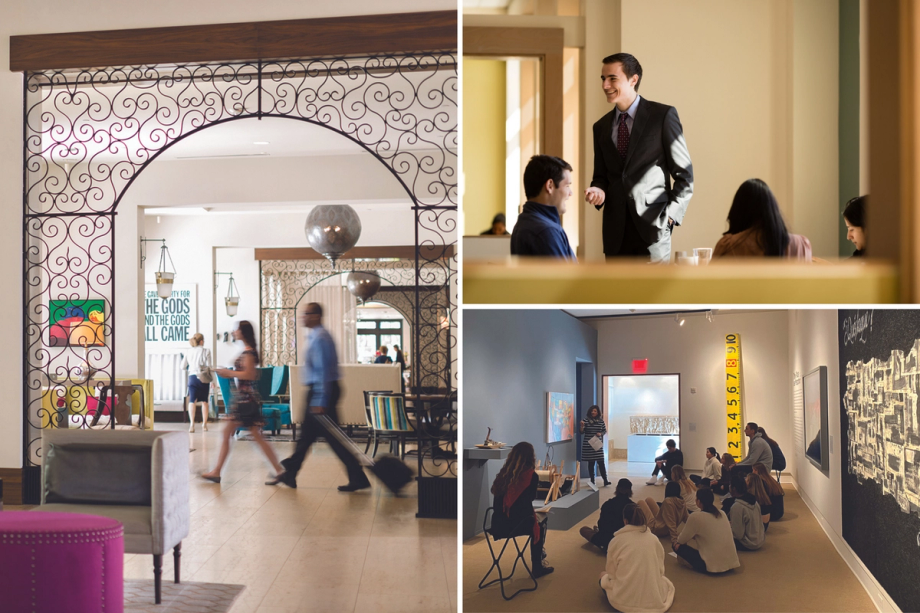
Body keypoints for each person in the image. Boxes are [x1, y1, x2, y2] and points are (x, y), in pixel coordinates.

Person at [585, 52, 693, 264]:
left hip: (653, 233)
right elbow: (601, 176)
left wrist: (669, 218)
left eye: (612, 78)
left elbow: (685, 176)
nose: (605, 85)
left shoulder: (662, 116)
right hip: (616, 236)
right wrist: (598, 189)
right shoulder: (600, 127)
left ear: (633, 80)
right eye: (603, 79)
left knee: (652, 297)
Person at [268, 303, 371, 491]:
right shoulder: (316, 336)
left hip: (322, 391)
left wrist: (321, 400)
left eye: (306, 314)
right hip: (319, 391)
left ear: (316, 316)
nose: (302, 317)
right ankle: (290, 473)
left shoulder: (321, 338)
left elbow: (323, 371)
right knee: (306, 436)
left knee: (333, 439)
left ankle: (357, 477)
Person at [200, 321, 284, 483]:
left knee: (231, 434)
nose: (234, 331)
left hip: (245, 402)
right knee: (256, 437)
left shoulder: (249, 353)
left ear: (243, 332)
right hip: (246, 400)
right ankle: (279, 470)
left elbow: (250, 375)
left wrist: (229, 373)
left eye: (236, 329)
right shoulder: (247, 351)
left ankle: (217, 471)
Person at [488, 442, 554, 578]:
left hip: (496, 524)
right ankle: (537, 566)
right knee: (540, 524)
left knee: (537, 521)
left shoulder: (503, 474)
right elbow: (528, 502)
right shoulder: (531, 476)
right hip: (514, 525)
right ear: (531, 457)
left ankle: (540, 555)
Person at [599, 504, 675, 613]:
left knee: (602, 575)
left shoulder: (616, 541)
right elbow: (660, 570)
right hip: (652, 599)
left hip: (624, 601)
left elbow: (612, 573)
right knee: (664, 582)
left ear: (625, 521)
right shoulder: (654, 540)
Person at [713, 179, 812, 260]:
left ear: (737, 212)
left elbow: (709, 282)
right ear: (773, 210)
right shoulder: (801, 245)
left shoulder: (727, 246)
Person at [510, 155, 576, 259]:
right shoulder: (546, 231)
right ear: (550, 186)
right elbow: (565, 275)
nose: (570, 193)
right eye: (567, 186)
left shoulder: (524, 222)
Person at [674, 488, 740, 574]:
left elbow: (681, 540)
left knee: (676, 545)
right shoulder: (722, 513)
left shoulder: (695, 517)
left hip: (711, 566)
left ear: (699, 501)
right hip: (731, 563)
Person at [580, 478, 633, 552]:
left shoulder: (607, 504)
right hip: (624, 542)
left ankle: (598, 535)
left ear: (617, 489)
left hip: (606, 541)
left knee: (583, 529)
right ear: (630, 491)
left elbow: (601, 524)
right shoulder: (633, 507)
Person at [636, 481, 689, 549]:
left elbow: (671, 521)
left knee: (641, 502)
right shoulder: (682, 501)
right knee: (649, 499)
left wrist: (674, 539)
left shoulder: (668, 501)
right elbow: (687, 518)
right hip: (663, 524)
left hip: (657, 529)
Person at [180, 332, 211, 433]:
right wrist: (213, 381)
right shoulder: (206, 351)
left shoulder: (188, 351)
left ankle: (192, 424)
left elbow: (182, 367)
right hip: (203, 377)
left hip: (192, 377)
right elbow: (209, 367)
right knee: (204, 401)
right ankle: (204, 425)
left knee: (192, 401)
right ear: (201, 341)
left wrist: (191, 368)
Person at [727, 473, 765, 551]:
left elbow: (738, 535)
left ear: (734, 489)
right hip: (760, 539)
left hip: (748, 544)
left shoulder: (737, 507)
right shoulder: (755, 502)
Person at [580, 405, 610, 486]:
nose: (593, 412)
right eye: (592, 411)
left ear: (598, 412)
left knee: (601, 462)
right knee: (591, 463)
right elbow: (581, 432)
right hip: (588, 444)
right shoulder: (585, 421)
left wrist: (601, 434)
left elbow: (604, 430)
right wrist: (582, 426)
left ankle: (605, 480)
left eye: (595, 411)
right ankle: (592, 481)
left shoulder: (601, 421)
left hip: (597, 444)